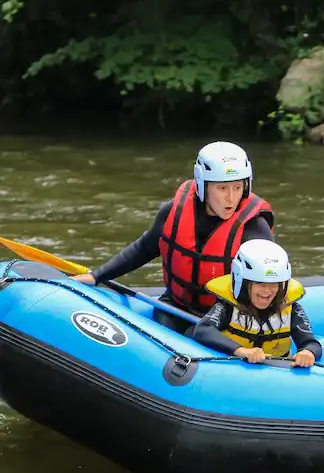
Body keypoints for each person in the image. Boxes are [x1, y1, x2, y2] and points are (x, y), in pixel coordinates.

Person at [72, 141, 276, 334]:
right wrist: (96, 276)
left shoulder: (254, 228)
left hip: (227, 318)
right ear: (202, 184)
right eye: (222, 188)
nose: (231, 197)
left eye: (238, 187)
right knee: (165, 321)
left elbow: (271, 285)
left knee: (198, 335)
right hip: (176, 307)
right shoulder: (174, 211)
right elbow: (144, 249)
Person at [192, 239, 320, 367]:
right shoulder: (227, 307)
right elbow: (203, 330)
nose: (267, 291)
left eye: (273, 285)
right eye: (259, 283)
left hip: (279, 371)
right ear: (243, 283)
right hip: (235, 369)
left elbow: (311, 343)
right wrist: (242, 351)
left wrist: (308, 352)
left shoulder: (291, 308)